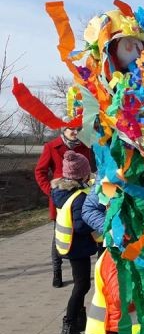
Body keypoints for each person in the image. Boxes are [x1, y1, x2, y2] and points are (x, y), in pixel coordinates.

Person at [35, 123, 94, 287]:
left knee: (81, 234)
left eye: (78, 129)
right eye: (71, 129)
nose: (75, 132)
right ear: (64, 130)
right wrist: (51, 192)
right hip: (61, 198)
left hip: (81, 198)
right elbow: (40, 172)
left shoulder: (84, 146)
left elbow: (89, 169)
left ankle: (80, 276)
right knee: (59, 236)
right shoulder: (52, 147)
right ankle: (57, 272)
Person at [51, 151, 98, 334]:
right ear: (83, 175)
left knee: (82, 284)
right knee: (82, 285)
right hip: (77, 246)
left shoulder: (61, 191)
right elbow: (80, 225)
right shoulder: (79, 197)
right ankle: (68, 327)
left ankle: (79, 321)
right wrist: (95, 221)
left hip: (68, 244)